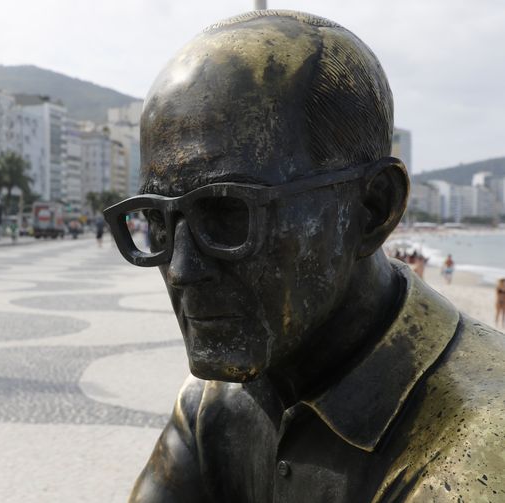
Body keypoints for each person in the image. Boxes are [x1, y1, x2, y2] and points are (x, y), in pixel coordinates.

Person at [104, 11, 505, 502]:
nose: (182, 269)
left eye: (229, 211)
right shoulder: (217, 401)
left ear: (371, 209)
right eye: (158, 221)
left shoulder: (478, 451)